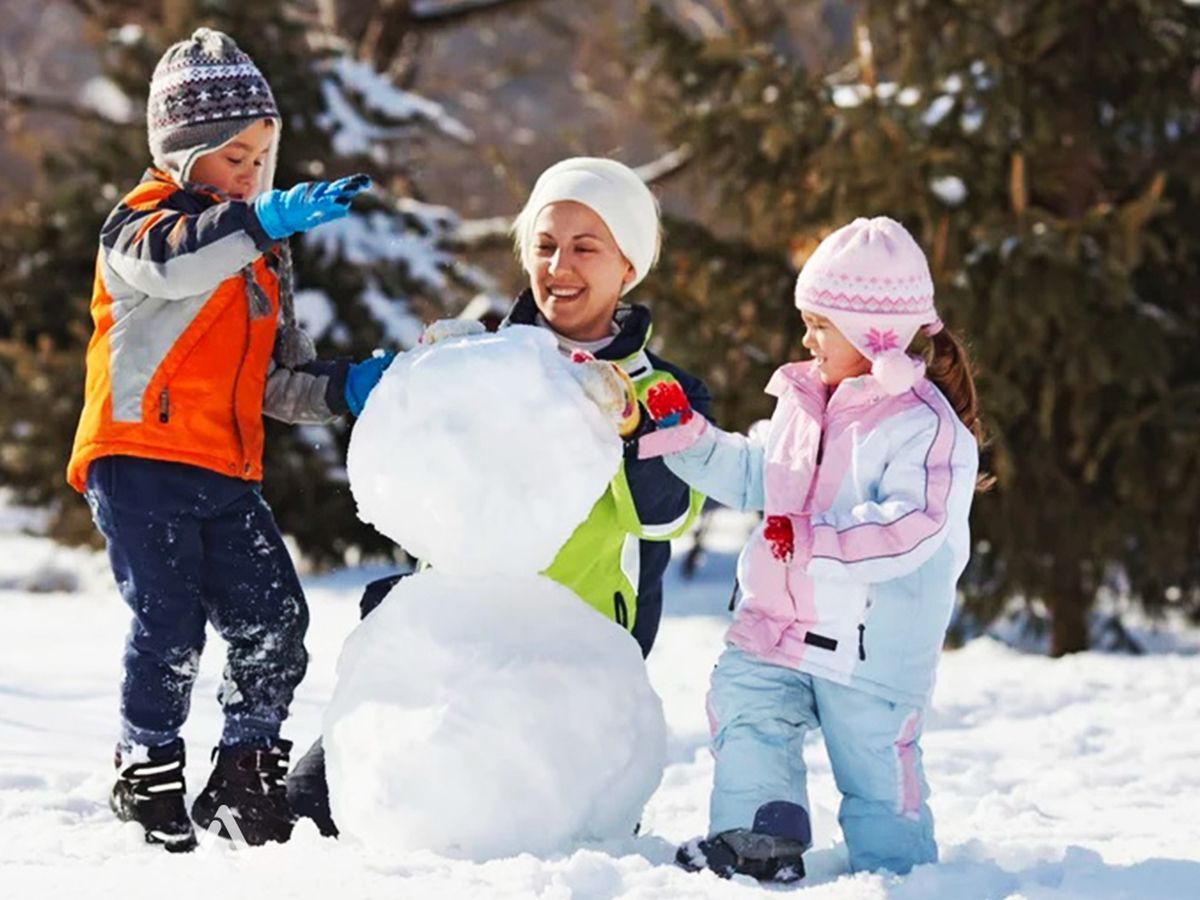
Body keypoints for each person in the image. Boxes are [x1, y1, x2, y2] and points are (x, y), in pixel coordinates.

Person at [287, 156, 712, 837]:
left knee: (538, 838)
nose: (558, 266)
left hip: (571, 660)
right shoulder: (482, 358)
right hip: (453, 646)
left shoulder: (667, 391)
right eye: (544, 246)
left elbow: (667, 515)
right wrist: (426, 385)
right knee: (312, 807)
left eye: (584, 247)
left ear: (627, 266)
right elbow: (415, 479)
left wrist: (630, 427)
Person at [66, 28, 389, 852]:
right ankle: (147, 768)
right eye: (230, 156)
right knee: (169, 624)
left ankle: (246, 772)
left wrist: (352, 386)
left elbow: (280, 381)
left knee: (275, 620)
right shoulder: (138, 226)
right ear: (181, 153)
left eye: (261, 159)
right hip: (138, 460)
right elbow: (176, 264)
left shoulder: (260, 256)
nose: (249, 175)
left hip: (226, 467)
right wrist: (262, 218)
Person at [640, 217, 982, 882]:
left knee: (876, 778)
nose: (807, 338)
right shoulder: (803, 401)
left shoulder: (925, 431)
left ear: (872, 332)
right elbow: (754, 473)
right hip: (781, 627)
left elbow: (910, 527)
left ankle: (904, 876)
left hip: (872, 655)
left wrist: (812, 541)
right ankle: (759, 835)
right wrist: (688, 437)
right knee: (746, 709)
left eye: (821, 324)